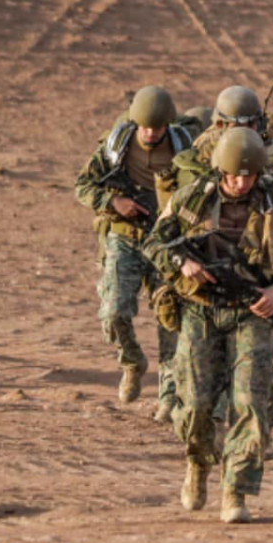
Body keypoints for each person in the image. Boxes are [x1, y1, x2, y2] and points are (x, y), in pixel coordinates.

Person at [143, 127, 273, 523]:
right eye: (235, 174)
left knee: (251, 405)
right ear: (221, 171)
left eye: (249, 175)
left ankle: (235, 490)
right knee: (198, 405)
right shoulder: (193, 199)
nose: (242, 182)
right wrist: (182, 263)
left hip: (253, 313)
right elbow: (155, 243)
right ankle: (198, 465)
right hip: (201, 311)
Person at [161, 86, 273, 443]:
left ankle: (259, 432)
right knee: (196, 360)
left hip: (261, 278)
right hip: (203, 276)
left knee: (264, 367)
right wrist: (182, 257)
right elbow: (171, 212)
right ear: (218, 123)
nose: (242, 129)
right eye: (233, 123)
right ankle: (204, 425)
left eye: (250, 122)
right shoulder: (197, 157)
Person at [74, 85, 196, 407]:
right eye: (145, 127)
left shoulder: (184, 148)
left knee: (170, 315)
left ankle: (169, 393)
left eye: (158, 128)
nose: (151, 133)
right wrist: (114, 201)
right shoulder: (117, 145)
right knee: (113, 311)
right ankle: (132, 362)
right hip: (125, 234)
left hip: (167, 239)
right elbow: (83, 186)